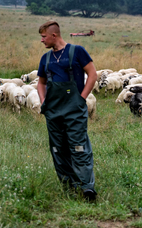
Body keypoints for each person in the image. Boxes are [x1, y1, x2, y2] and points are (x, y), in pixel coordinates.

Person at [37, 21, 97, 201]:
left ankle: (87, 188)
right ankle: (69, 186)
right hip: (53, 111)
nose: (42, 40)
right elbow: (41, 83)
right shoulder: (45, 59)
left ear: (54, 35)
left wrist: (82, 98)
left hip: (74, 109)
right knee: (58, 148)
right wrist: (43, 102)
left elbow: (92, 74)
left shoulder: (77, 51)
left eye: (44, 36)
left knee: (78, 147)